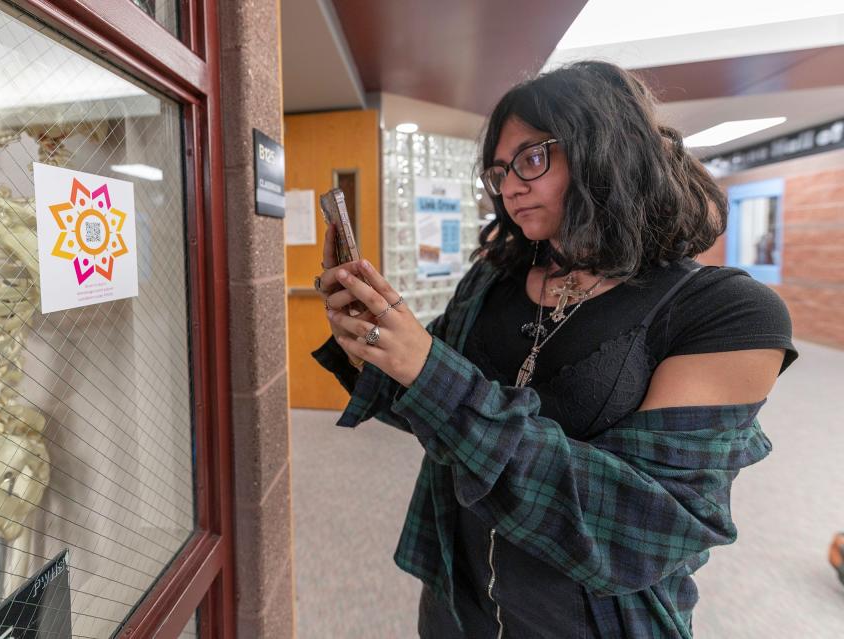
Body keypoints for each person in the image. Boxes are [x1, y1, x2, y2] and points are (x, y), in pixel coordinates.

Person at [311, 60, 797, 638]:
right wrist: (371, 345)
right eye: (499, 172)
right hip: (456, 604)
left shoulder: (726, 313)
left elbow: (637, 526)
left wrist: (431, 370)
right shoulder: (493, 278)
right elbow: (433, 415)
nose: (512, 185)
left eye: (533, 158)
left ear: (608, 149)